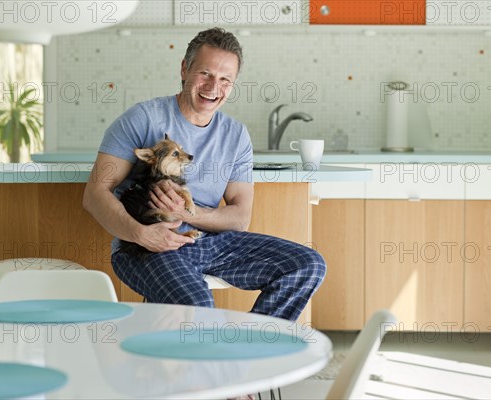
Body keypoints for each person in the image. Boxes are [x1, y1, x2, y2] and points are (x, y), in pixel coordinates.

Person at [83, 27, 326, 322]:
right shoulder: (143, 118)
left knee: (307, 264)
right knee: (197, 305)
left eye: (225, 80)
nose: (213, 87)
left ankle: (251, 353)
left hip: (211, 242)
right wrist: (142, 234)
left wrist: (187, 213)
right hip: (147, 246)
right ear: (185, 69)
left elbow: (239, 217)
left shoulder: (235, 135)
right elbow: (95, 194)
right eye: (206, 74)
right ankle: (203, 359)